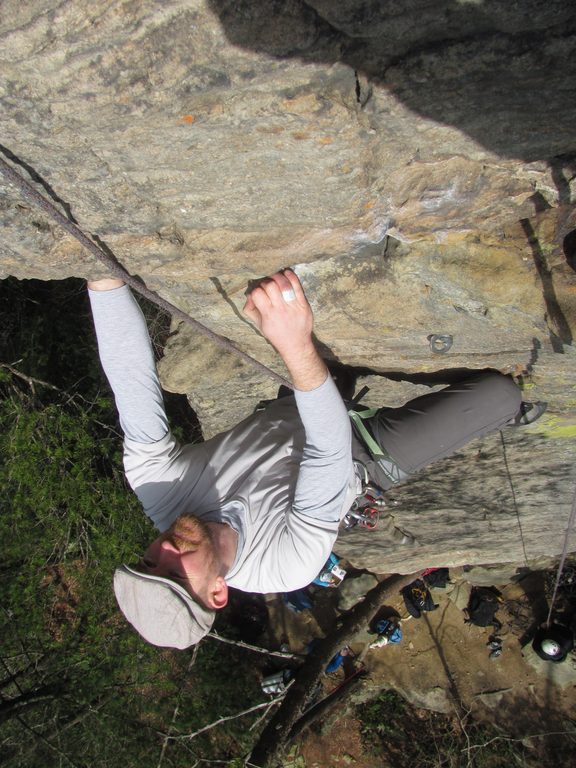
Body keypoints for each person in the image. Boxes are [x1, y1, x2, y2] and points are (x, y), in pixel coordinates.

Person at [88, 269, 532, 649]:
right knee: (499, 394)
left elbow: (131, 384)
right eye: (175, 574)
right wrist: (293, 344)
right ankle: (507, 414)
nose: (164, 549)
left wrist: (102, 279)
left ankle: (326, 376)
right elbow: (329, 449)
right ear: (217, 592)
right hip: (361, 457)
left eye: (148, 561)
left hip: (295, 410)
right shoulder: (284, 565)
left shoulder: (159, 490)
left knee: (318, 356)